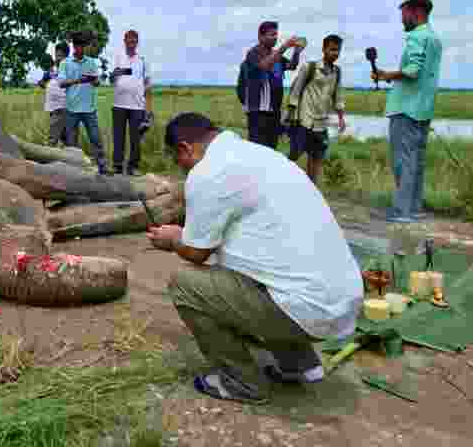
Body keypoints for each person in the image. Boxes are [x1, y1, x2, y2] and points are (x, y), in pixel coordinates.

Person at [146, 112, 363, 405]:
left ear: (185, 148)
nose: (182, 169)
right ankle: (301, 364)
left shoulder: (208, 171)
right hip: (341, 301)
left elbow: (197, 252)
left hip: (307, 308)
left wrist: (173, 239)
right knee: (255, 271)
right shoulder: (259, 156)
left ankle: (241, 383)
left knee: (186, 283)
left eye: (178, 160)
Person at [371, 0, 443, 223]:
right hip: (424, 107)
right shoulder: (434, 38)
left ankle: (402, 211)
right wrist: (392, 77)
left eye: (404, 15)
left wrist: (386, 74)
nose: (403, 20)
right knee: (417, 160)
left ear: (416, 12)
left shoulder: (416, 36)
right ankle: (414, 208)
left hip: (406, 108)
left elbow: (411, 71)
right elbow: (420, 74)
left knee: (403, 160)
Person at [285, 34, 347, 184]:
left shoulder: (337, 72)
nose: (335, 53)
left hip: (322, 123)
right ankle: (281, 183)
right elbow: (295, 91)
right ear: (324, 49)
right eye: (332, 49)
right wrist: (290, 116)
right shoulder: (310, 67)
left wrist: (340, 118)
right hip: (304, 120)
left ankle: (311, 192)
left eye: (338, 50)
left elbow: (337, 97)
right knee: (294, 155)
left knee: (316, 158)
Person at [237, 21, 304, 150]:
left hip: (274, 112)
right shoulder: (252, 53)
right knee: (257, 149)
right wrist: (284, 47)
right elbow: (264, 66)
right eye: (272, 34)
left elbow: (291, 66)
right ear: (260, 37)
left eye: (276, 34)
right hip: (258, 113)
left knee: (271, 149)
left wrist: (297, 51)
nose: (275, 38)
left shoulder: (276, 55)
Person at [58, 31, 110, 174]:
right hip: (71, 109)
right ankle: (72, 170)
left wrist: (93, 80)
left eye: (83, 46)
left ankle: (103, 167)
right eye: (77, 45)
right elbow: (61, 83)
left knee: (95, 139)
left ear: (85, 47)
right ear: (74, 46)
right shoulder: (65, 63)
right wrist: (78, 81)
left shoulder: (91, 62)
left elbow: (97, 82)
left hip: (89, 109)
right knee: (71, 143)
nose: (80, 48)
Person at [110, 29, 153, 176]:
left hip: (137, 105)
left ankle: (133, 167)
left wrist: (148, 109)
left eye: (134, 41)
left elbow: (147, 84)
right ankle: (117, 166)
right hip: (119, 104)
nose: (131, 44)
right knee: (118, 136)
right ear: (124, 41)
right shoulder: (118, 57)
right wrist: (115, 73)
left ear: (137, 42)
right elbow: (112, 79)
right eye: (129, 41)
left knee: (135, 138)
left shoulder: (142, 60)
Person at [38, 42, 71, 147]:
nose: (58, 58)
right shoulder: (51, 69)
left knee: (52, 138)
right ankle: (71, 156)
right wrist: (44, 82)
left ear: (66, 56)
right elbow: (42, 82)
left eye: (60, 56)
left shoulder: (69, 68)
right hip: (52, 107)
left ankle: (48, 156)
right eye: (56, 55)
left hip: (61, 107)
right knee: (65, 137)